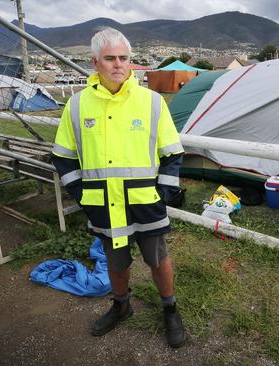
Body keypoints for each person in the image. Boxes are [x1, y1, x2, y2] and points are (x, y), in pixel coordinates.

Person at [51, 28, 186, 348]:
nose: (118, 65)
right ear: (95, 62)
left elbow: (173, 154)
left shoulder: (152, 102)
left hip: (145, 201)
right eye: (110, 58)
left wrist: (162, 194)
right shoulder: (76, 106)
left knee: (158, 259)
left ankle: (170, 309)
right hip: (102, 204)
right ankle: (121, 305)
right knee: (115, 261)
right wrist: (82, 196)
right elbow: (62, 158)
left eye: (123, 58)